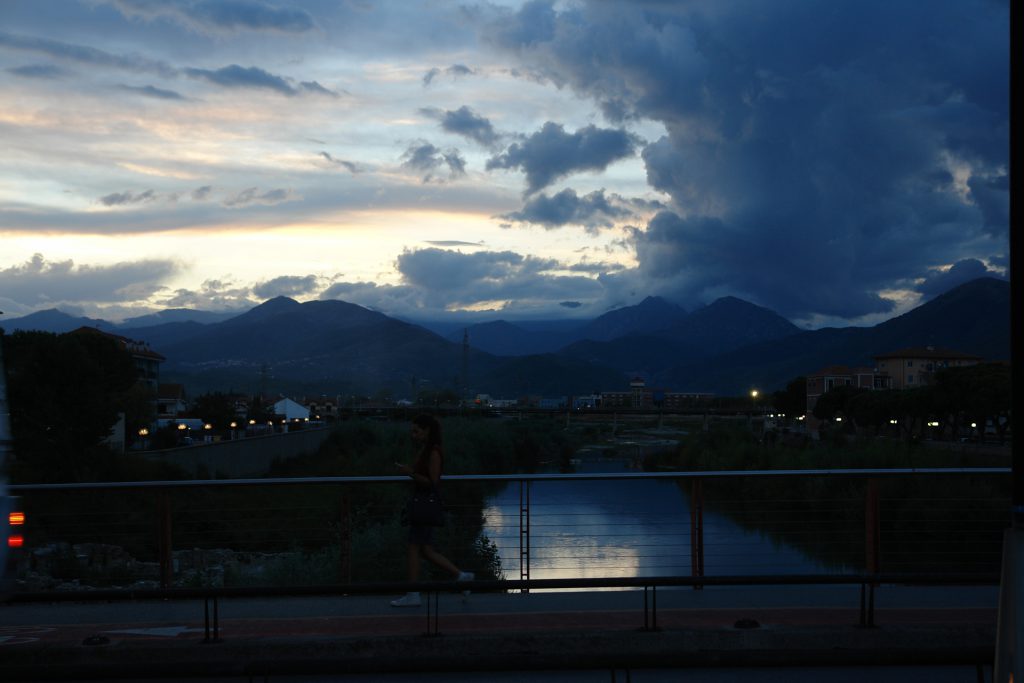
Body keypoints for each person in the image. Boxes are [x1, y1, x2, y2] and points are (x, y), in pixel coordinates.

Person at [390, 414, 473, 607]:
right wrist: (409, 471)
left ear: (427, 430)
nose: (413, 435)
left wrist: (410, 473)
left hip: (424, 505)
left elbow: (432, 482)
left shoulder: (433, 452)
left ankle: (413, 594)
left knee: (413, 548)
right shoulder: (425, 450)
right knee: (426, 551)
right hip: (422, 504)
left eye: (416, 431)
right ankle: (462, 576)